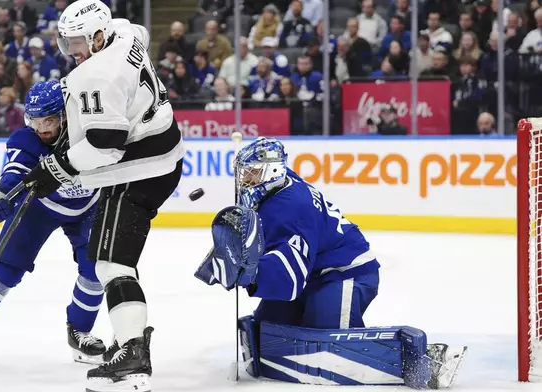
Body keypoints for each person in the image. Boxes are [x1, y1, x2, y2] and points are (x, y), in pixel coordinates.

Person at [194, 137, 467, 389]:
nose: (244, 181)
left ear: (271, 172)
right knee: (269, 327)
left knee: (329, 345)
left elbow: (289, 280)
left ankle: (422, 361)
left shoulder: (291, 209)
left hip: (345, 272)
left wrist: (248, 274)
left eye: (251, 174)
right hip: (313, 271)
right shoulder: (279, 185)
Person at [20, 2, 185, 391]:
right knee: (110, 258)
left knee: (110, 263)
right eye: (66, 41)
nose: (70, 50)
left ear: (98, 35)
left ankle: (131, 355)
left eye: (77, 41)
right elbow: (139, 34)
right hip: (164, 155)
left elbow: (105, 146)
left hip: (139, 169)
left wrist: (54, 168)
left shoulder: (96, 75)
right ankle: (129, 340)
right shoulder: (124, 33)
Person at [0, 80, 107, 370]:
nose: (42, 129)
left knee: (97, 269)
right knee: (5, 270)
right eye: (36, 121)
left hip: (87, 209)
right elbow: (14, 173)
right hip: (40, 209)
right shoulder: (26, 140)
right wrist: (0, 196)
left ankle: (80, 331)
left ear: (65, 115)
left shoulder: (90, 132)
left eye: (49, 120)